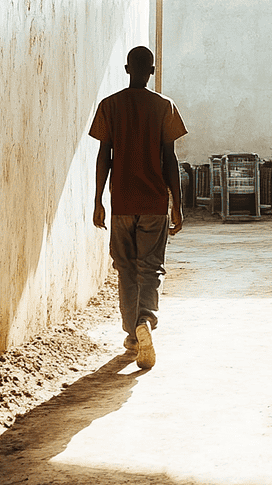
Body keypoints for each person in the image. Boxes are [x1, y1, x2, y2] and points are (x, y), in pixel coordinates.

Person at [89, 46, 187, 370]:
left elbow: (105, 156)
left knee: (126, 269)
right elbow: (170, 159)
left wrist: (98, 200)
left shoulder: (110, 106)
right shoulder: (164, 107)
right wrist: (177, 204)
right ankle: (145, 319)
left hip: (122, 204)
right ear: (153, 70)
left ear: (127, 68)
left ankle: (132, 336)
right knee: (151, 267)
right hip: (154, 203)